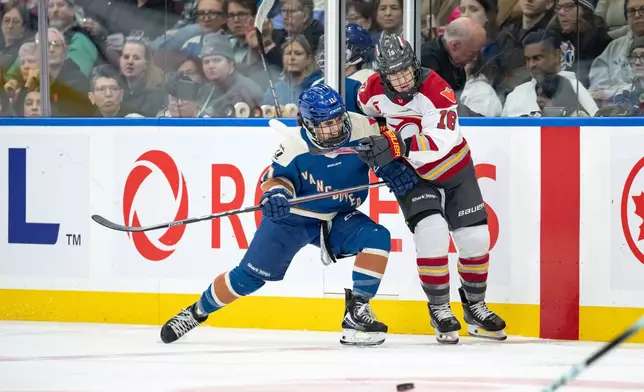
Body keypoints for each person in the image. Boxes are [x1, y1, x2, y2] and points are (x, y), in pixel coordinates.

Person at [161, 83, 399, 346]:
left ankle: (357, 311)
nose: (333, 128)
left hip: (337, 216)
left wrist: (393, 164)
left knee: (377, 237)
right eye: (324, 124)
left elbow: (391, 144)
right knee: (248, 279)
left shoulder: (364, 127)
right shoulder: (294, 147)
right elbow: (274, 180)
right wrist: (277, 195)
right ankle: (197, 312)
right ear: (307, 124)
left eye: (336, 120)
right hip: (292, 218)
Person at [356, 33, 507, 344]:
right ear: (382, 73)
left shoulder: (436, 88)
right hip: (414, 178)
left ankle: (474, 307)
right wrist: (379, 149)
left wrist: (393, 145)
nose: (400, 79)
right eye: (392, 73)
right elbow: (363, 119)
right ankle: (440, 309)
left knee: (476, 239)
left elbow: (441, 142)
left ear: (414, 65)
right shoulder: (370, 90)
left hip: (455, 171)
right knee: (432, 233)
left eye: (404, 70)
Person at [314, 23, 375, 113]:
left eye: (338, 47)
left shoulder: (368, 79)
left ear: (357, 51)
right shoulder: (319, 82)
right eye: (328, 47)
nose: (328, 52)